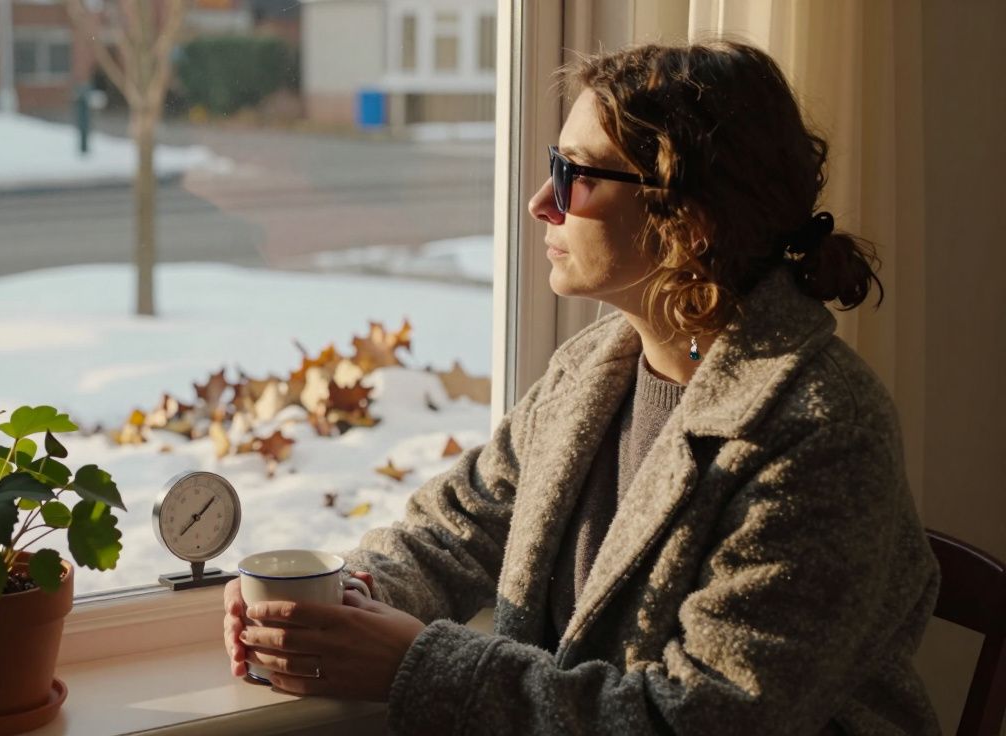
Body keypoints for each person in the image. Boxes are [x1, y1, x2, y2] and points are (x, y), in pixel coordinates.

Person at [222, 40, 940, 735]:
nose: (541, 202)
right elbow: (459, 529)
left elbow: (697, 720)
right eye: (550, 165)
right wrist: (338, 600)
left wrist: (416, 665)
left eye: (576, 175)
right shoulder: (596, 368)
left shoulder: (823, 433)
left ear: (687, 220)